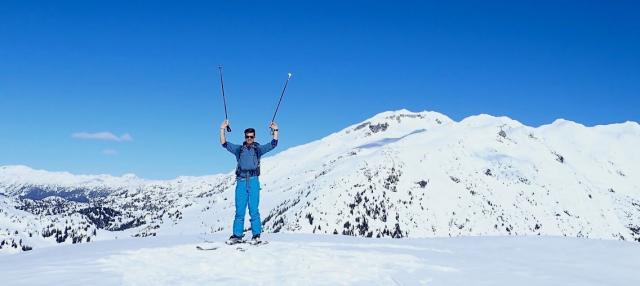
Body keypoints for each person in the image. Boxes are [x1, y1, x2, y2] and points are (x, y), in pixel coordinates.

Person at [219, 119, 279, 244]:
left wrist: (275, 130)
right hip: (241, 182)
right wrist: (222, 129)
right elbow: (224, 144)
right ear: (245, 137)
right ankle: (237, 235)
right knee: (240, 210)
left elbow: (273, 144)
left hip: (253, 181)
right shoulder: (239, 149)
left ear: (254, 136)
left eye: (251, 137)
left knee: (253, 210)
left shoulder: (258, 149)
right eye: (247, 137)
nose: (249, 138)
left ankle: (256, 235)